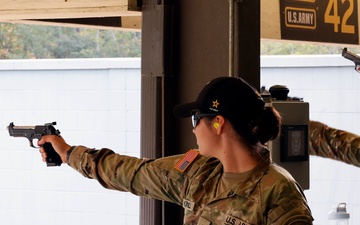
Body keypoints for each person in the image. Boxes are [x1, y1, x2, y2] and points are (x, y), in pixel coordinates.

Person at [38, 76, 314, 225]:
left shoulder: (279, 191)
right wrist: (67, 152)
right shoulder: (199, 172)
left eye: (196, 119)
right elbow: (131, 172)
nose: (193, 129)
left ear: (218, 123)